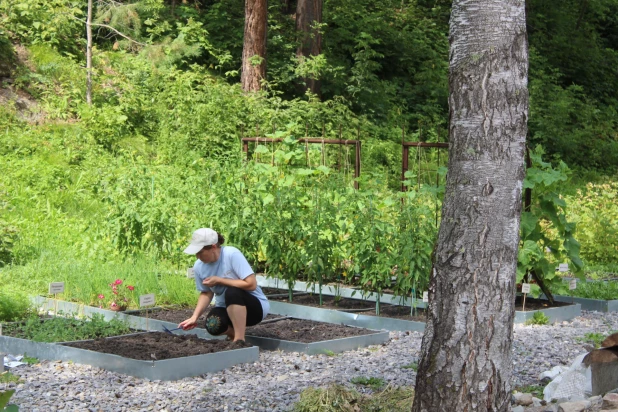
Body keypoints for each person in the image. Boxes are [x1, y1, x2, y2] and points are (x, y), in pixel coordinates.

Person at [179, 228, 269, 343]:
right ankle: (234, 336)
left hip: (254, 308)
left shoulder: (231, 254)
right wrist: (194, 317)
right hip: (225, 308)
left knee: (232, 292)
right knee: (213, 324)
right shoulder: (198, 266)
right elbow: (206, 292)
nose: (197, 256)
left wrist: (220, 280)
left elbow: (251, 284)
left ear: (213, 247)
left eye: (200, 252)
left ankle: (239, 340)